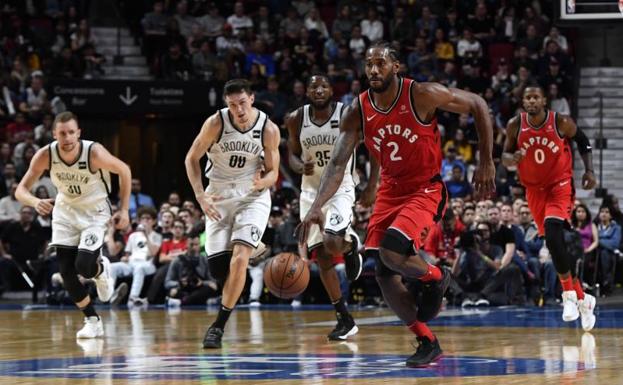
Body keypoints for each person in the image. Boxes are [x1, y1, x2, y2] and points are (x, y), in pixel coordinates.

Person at [298, 41, 495, 367]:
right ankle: (426, 340)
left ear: (396, 67)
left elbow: (477, 103)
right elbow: (336, 164)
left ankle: (435, 276)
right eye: (369, 64)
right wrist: (318, 205)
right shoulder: (358, 109)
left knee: (392, 250)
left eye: (381, 64)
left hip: (425, 188)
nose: (374, 70)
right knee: (384, 275)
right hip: (390, 191)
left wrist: (486, 160)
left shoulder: (421, 94)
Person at [15, 111, 131, 338]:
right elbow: (20, 190)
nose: (67, 138)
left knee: (84, 266)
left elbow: (124, 170)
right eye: (62, 133)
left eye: (71, 133)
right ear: (54, 134)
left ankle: (100, 270)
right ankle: (92, 320)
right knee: (66, 272)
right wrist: (35, 201)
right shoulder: (45, 155)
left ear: (78, 133)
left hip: (94, 213)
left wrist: (124, 210)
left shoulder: (93, 152)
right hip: (66, 213)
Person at [185, 79, 280, 349]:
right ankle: (257, 245)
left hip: (252, 196)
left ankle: (218, 326)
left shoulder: (268, 129)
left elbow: (273, 171)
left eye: (242, 103)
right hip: (218, 194)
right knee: (218, 271)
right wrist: (200, 195)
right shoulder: (216, 123)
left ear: (251, 99)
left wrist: (264, 182)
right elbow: (191, 159)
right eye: (232, 104)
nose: (238, 109)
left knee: (239, 259)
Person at [502, 84, 597, 331]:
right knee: (553, 245)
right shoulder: (515, 124)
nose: (531, 101)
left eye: (535, 97)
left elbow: (584, 141)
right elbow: (504, 155)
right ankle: (583, 299)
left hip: (560, 185)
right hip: (534, 190)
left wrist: (589, 170)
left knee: (554, 233)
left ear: (544, 101)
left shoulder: (561, 122)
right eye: (527, 98)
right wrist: (510, 160)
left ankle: (568, 296)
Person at [284, 74, 362, 341]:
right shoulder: (295, 118)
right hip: (310, 191)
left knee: (333, 242)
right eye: (314, 86)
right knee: (323, 258)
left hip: (341, 187)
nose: (319, 90)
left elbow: (370, 147)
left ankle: (351, 247)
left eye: (324, 86)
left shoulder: (348, 114)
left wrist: (372, 184)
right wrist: (297, 165)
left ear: (332, 90)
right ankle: (344, 317)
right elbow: (292, 153)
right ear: (307, 92)